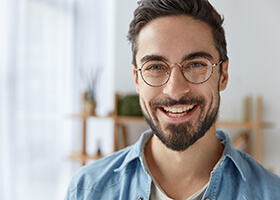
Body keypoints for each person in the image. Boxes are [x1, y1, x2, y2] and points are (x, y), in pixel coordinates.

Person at [65, 0, 280, 199]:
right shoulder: (87, 190)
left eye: (196, 64)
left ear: (223, 74)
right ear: (137, 79)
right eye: (155, 67)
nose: (175, 91)